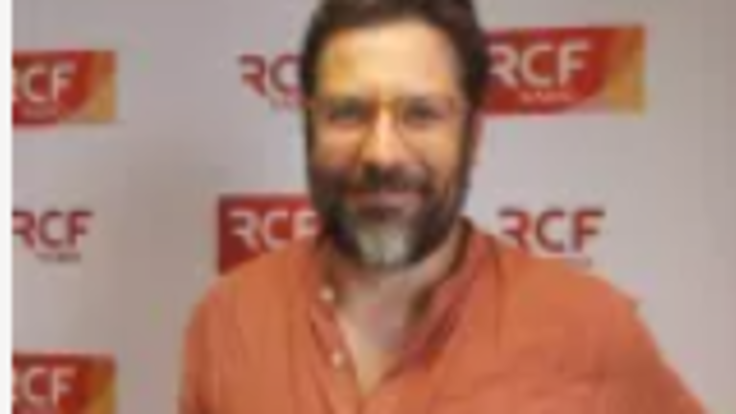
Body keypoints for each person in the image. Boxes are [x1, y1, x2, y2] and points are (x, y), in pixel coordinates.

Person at [180, 0, 705, 412]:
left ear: (473, 136)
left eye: (421, 113)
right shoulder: (228, 320)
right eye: (348, 112)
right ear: (308, 127)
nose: (382, 153)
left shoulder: (590, 329)